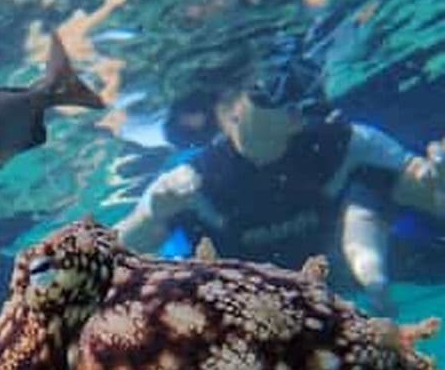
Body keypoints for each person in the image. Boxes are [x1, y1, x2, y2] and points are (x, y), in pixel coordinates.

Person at [116, 37, 445, 315]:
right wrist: (151, 215)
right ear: (228, 109)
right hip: (246, 307)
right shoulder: (193, 180)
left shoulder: (345, 143)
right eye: (272, 86)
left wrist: (436, 183)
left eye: (301, 79)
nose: (295, 97)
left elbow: (423, 191)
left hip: (336, 268)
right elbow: (109, 253)